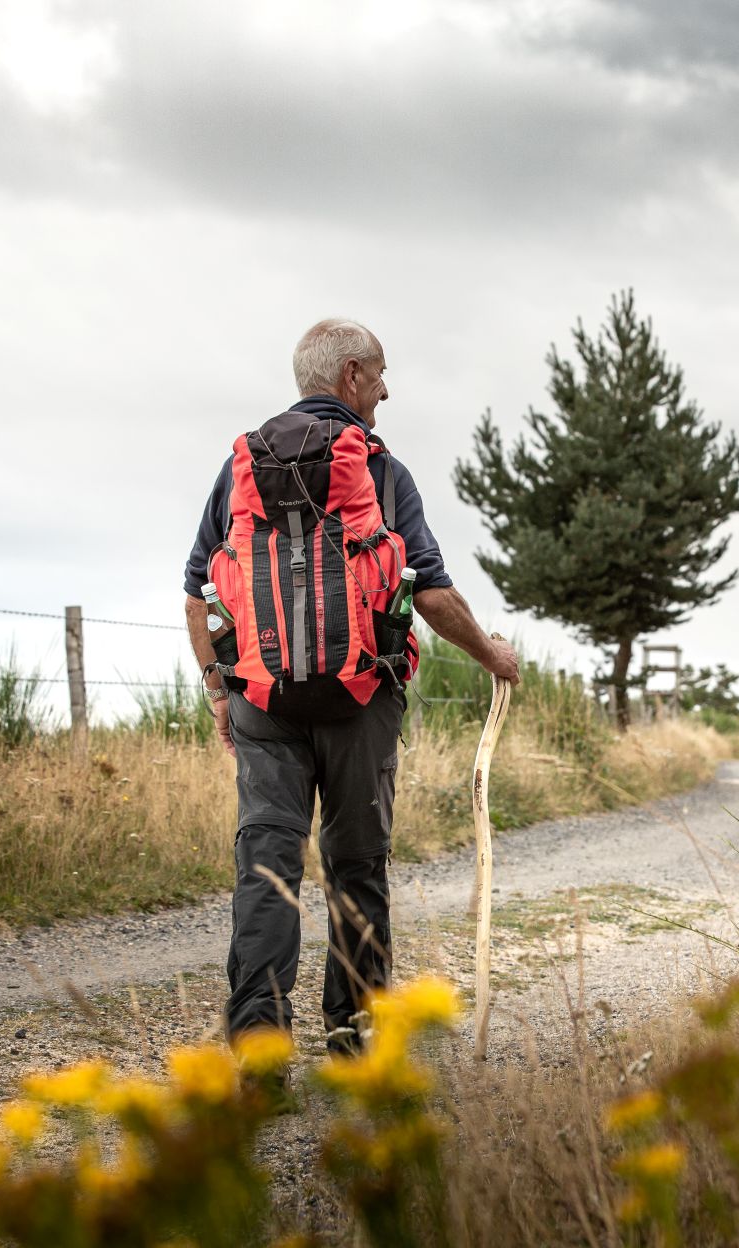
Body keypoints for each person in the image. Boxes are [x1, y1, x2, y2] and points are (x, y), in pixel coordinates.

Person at [182, 318, 520, 1054]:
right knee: (356, 864)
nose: (387, 388)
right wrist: (491, 653)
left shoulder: (241, 465)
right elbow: (428, 594)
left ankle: (258, 1046)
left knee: (266, 868)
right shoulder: (378, 469)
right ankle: (354, 1033)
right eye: (380, 373)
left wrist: (218, 691)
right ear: (350, 379)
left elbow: (196, 594)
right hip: (362, 698)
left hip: (262, 701)